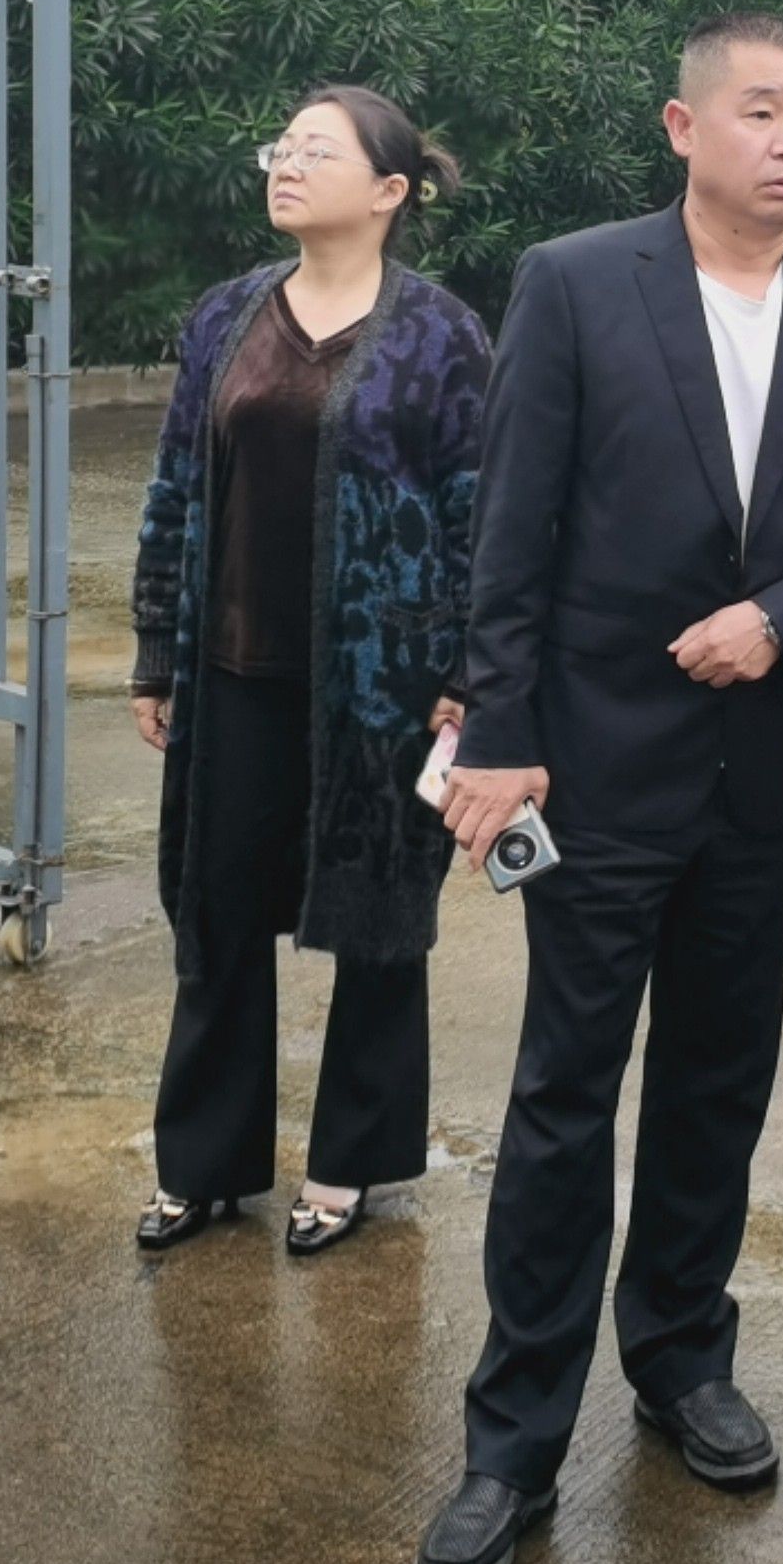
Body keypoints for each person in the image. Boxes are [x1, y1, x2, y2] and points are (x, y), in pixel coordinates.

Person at [409, 14, 783, 1564]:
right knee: (565, 1096)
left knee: (719, 1078)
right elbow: (513, 526)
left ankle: (682, 1358)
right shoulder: (581, 283)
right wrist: (502, 733)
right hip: (599, 764)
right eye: (763, 111)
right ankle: (513, 1442)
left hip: (762, 773)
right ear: (683, 126)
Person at [127, 86, 487, 1259]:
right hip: (234, 671)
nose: (286, 164)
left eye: (315, 151)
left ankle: (349, 1164)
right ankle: (203, 1165)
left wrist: (469, 672)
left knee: (379, 923)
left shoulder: (441, 337)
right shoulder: (227, 316)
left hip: (383, 687)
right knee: (217, 914)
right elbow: (177, 484)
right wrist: (157, 649)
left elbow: (480, 514)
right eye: (280, 147)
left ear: (389, 191)